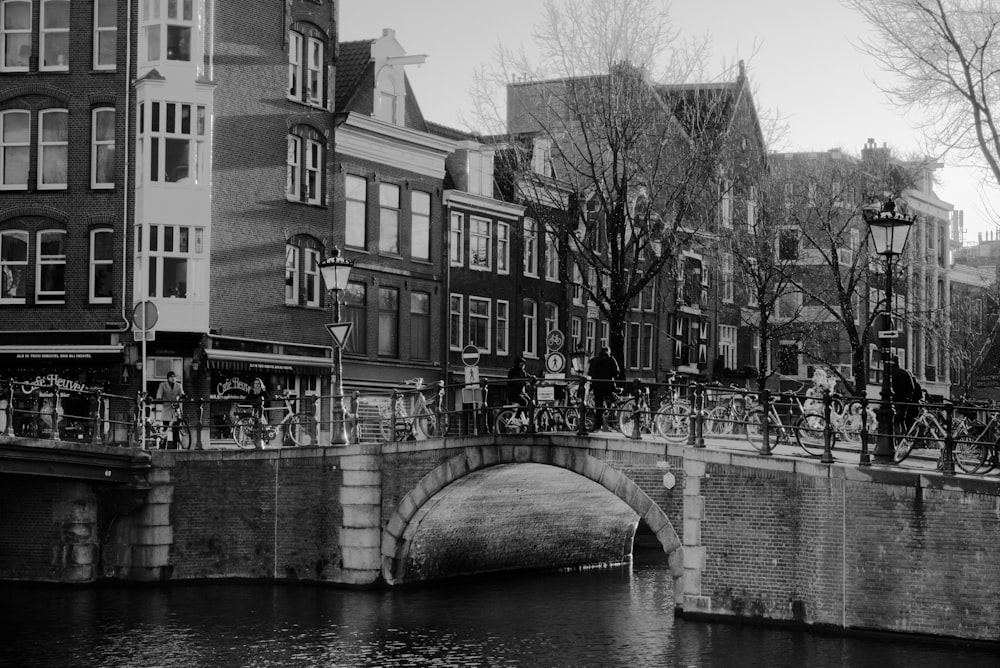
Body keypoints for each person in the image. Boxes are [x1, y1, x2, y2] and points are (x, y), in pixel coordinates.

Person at [588, 347, 621, 431]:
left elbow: (590, 373)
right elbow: (616, 373)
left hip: (597, 386)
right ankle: (611, 421)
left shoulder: (594, 360)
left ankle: (598, 425)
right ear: (608, 352)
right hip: (608, 386)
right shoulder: (611, 360)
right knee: (612, 401)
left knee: (598, 406)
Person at [156, 371, 186, 449]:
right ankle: (163, 446)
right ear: (168, 378)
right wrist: (159, 398)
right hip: (167, 408)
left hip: (175, 409)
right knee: (166, 428)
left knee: (175, 429)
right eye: (171, 377)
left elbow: (181, 393)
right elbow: (160, 393)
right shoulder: (163, 385)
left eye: (174, 377)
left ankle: (175, 447)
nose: (173, 378)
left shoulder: (179, 385)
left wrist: (183, 396)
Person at [889, 357, 919, 434]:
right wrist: (907, 396)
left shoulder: (891, 373)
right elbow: (912, 387)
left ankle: (897, 438)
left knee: (895, 420)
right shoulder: (905, 373)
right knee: (902, 420)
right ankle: (904, 436)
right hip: (905, 401)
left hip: (895, 400)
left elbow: (891, 386)